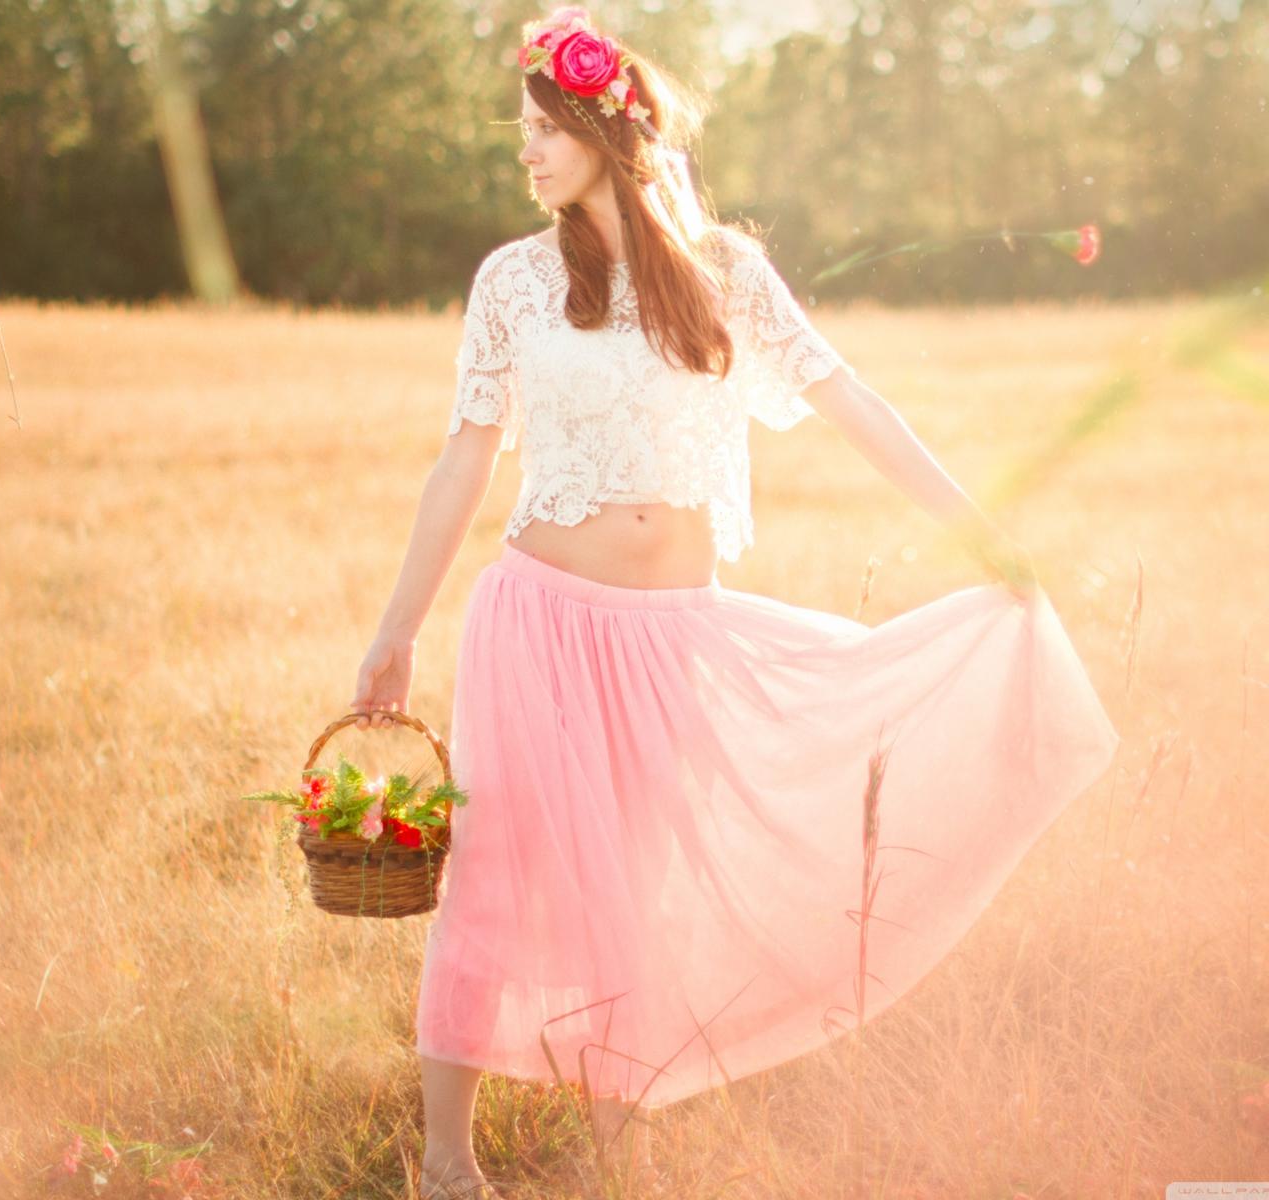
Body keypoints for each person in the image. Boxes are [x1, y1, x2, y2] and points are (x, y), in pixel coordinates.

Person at [348, 8, 1120, 1198]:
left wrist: (982, 532)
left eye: (546, 128)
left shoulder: (725, 276)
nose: (529, 152)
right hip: (539, 620)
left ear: (611, 130)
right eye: (523, 133)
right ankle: (445, 1165)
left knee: (636, 893)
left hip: (678, 637)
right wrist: (394, 631)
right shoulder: (512, 280)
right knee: (501, 874)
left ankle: (608, 1151)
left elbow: (850, 397)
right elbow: (463, 456)